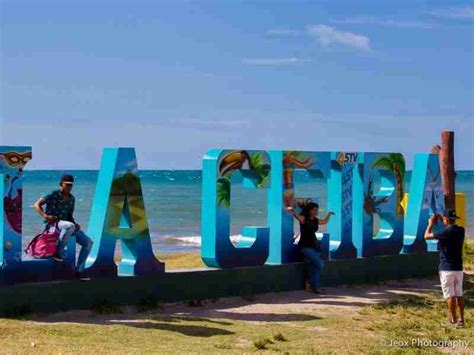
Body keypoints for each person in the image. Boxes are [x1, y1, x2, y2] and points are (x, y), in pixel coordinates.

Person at [33, 174, 93, 279]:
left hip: (67, 225)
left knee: (88, 242)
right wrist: (46, 216)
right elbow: (36, 205)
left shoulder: (71, 199)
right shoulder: (53, 194)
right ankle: (57, 252)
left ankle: (79, 270)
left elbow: (69, 216)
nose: (69, 187)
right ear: (61, 184)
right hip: (53, 224)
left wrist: (75, 223)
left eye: (71, 185)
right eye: (67, 185)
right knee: (69, 226)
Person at [424, 208, 465, 327]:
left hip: (447, 268)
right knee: (459, 294)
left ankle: (453, 320)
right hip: (458, 267)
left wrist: (430, 224)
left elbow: (426, 236)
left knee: (450, 295)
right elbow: (449, 225)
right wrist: (442, 217)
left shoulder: (444, 233)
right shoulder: (460, 230)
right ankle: (461, 320)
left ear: (446, 220)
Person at [287, 202, 334, 294]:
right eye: (313, 210)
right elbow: (297, 217)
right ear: (309, 210)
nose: (315, 212)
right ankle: (311, 283)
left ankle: (314, 287)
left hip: (315, 246)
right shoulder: (304, 219)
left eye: (316, 210)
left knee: (314, 267)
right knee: (320, 265)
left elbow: (324, 221)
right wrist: (293, 211)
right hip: (305, 246)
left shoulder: (315, 220)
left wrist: (329, 214)